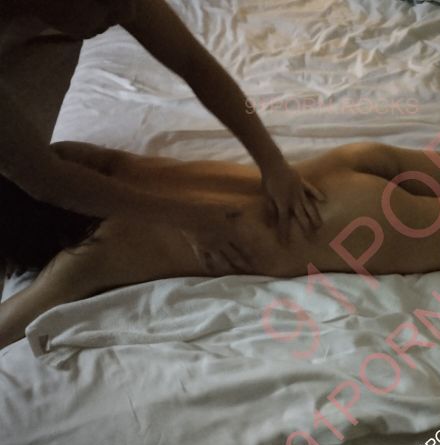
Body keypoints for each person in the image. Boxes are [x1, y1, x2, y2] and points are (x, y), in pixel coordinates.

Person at [1, 133, 440, 349]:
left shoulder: (85, 261)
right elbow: (43, 162)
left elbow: (10, 324)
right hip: (333, 170)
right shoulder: (100, 163)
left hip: (344, 224)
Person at [0, 0, 323, 272]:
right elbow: (45, 177)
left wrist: (272, 162)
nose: (127, 15)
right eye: (108, 4)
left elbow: (194, 63)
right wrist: (186, 217)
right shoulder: (87, 260)